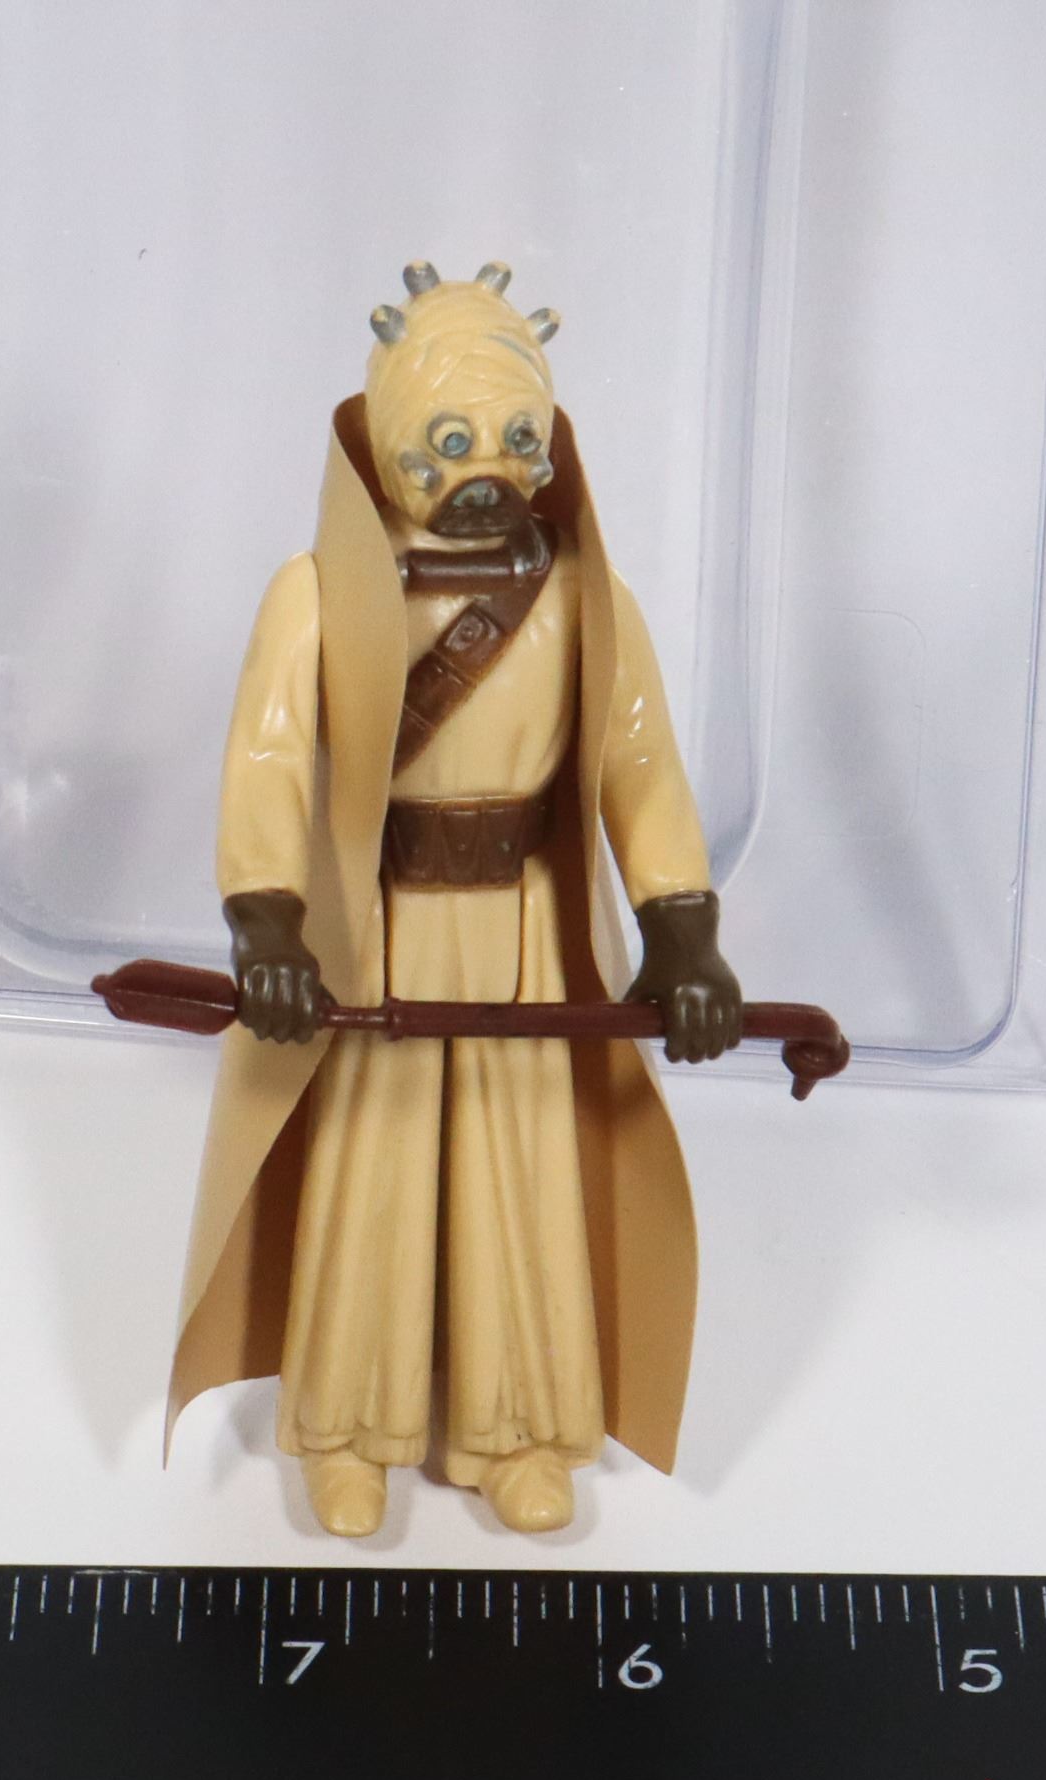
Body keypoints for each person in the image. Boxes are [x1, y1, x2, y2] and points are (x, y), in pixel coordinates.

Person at [167, 262, 742, 1535]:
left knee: (518, 1168)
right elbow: (268, 760)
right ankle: (348, 1431)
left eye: (513, 438)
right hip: (380, 930)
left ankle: (517, 1427)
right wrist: (268, 922)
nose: (485, 468)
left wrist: (681, 931)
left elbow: (640, 769)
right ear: (390, 439)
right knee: (371, 1169)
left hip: (526, 930)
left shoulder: (586, 599)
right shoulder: (321, 593)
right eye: (448, 439)